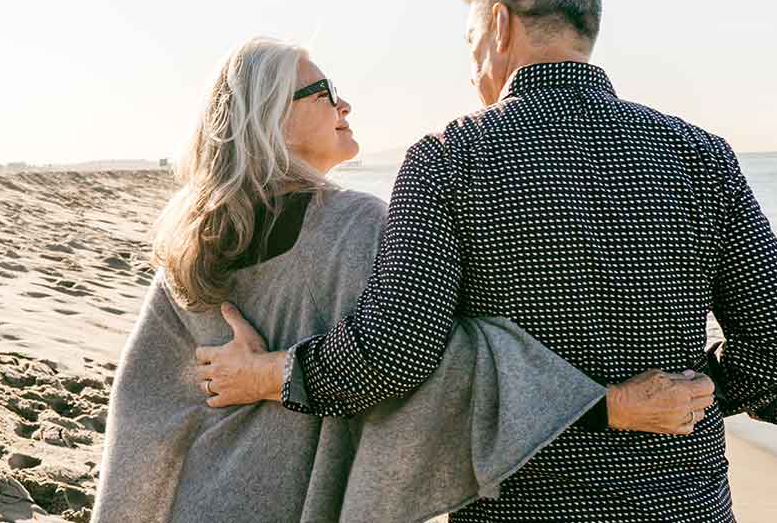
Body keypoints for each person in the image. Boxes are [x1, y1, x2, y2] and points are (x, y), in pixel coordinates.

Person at [198, 0, 777, 523]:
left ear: (499, 26)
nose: (472, 68)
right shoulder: (699, 153)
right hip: (683, 505)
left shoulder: (451, 158)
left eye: (471, 41)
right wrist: (703, 393)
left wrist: (268, 374)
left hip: (524, 505)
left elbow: (394, 353)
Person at [92, 36, 715, 522]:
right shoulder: (360, 226)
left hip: (204, 496)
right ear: (270, 117)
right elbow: (434, 365)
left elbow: (144, 405)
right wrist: (607, 405)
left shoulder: (190, 240)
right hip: (302, 500)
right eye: (322, 91)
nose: (344, 104)